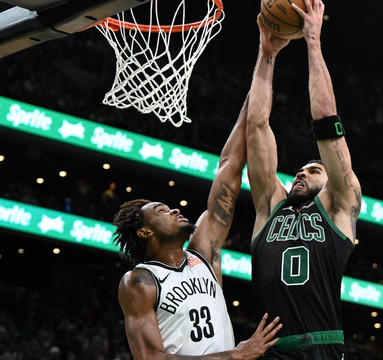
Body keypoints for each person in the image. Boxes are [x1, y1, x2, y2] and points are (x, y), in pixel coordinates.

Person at [111, 96, 282, 359]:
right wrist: (233, 356)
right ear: (145, 232)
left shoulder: (203, 253)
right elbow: (149, 358)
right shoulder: (139, 281)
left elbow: (230, 166)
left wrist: (255, 87)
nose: (175, 210)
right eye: (163, 211)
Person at [245, 0, 362, 358]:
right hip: (271, 350)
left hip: (322, 347)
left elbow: (327, 123)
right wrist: (267, 55)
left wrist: (313, 43)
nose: (301, 172)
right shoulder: (270, 207)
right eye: (301, 169)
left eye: (314, 170)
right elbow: (256, 127)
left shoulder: (340, 203)